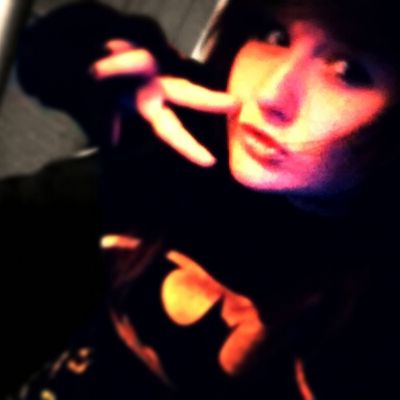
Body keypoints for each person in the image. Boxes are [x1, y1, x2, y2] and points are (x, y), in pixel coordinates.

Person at [10, 0, 400, 399]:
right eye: (275, 36)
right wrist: (93, 62)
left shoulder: (378, 309)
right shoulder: (190, 129)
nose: (270, 95)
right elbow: (43, 49)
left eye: (349, 71)